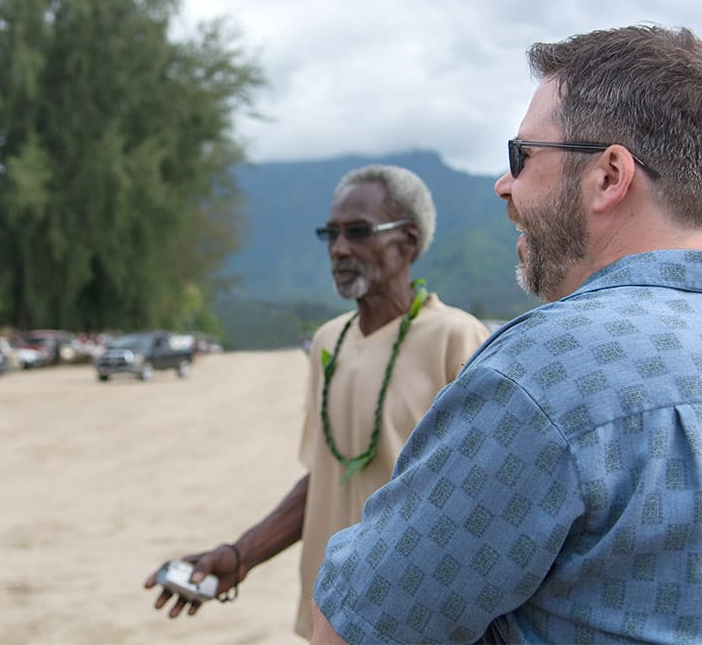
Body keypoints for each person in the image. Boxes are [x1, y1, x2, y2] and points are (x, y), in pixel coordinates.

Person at [311, 25, 702, 643]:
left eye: (523, 156)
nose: (504, 184)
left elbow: (358, 627)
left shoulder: (544, 372)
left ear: (609, 175)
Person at [144, 165, 491, 638]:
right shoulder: (330, 340)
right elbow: (325, 477)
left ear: (408, 240)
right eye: (331, 234)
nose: (339, 248)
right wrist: (242, 554)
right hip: (328, 612)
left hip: (410, 618)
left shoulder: (457, 337)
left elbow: (478, 495)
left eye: (358, 232)